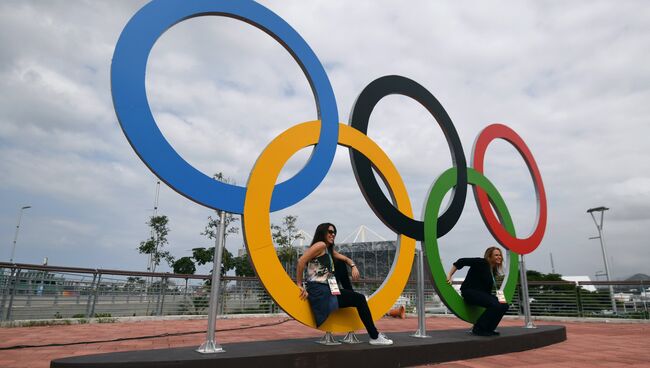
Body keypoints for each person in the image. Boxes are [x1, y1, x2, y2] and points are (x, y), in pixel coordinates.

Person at [296, 223, 393, 345]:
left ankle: (351, 297)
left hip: (328, 288)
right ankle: (375, 336)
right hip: (321, 291)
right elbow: (301, 261)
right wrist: (299, 284)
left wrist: (353, 266)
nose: (333, 234)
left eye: (334, 232)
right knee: (360, 299)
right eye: (330, 232)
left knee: (341, 264)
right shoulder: (320, 245)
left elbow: (346, 259)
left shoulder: (327, 249)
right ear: (322, 233)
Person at [446, 246, 509, 336]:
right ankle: (478, 329)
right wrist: (449, 275)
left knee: (504, 305)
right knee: (495, 304)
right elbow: (461, 261)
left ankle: (489, 329)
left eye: (500, 255)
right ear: (489, 257)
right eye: (496, 255)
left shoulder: (493, 269)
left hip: (482, 294)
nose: (499, 257)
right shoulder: (481, 262)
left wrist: (496, 298)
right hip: (470, 292)